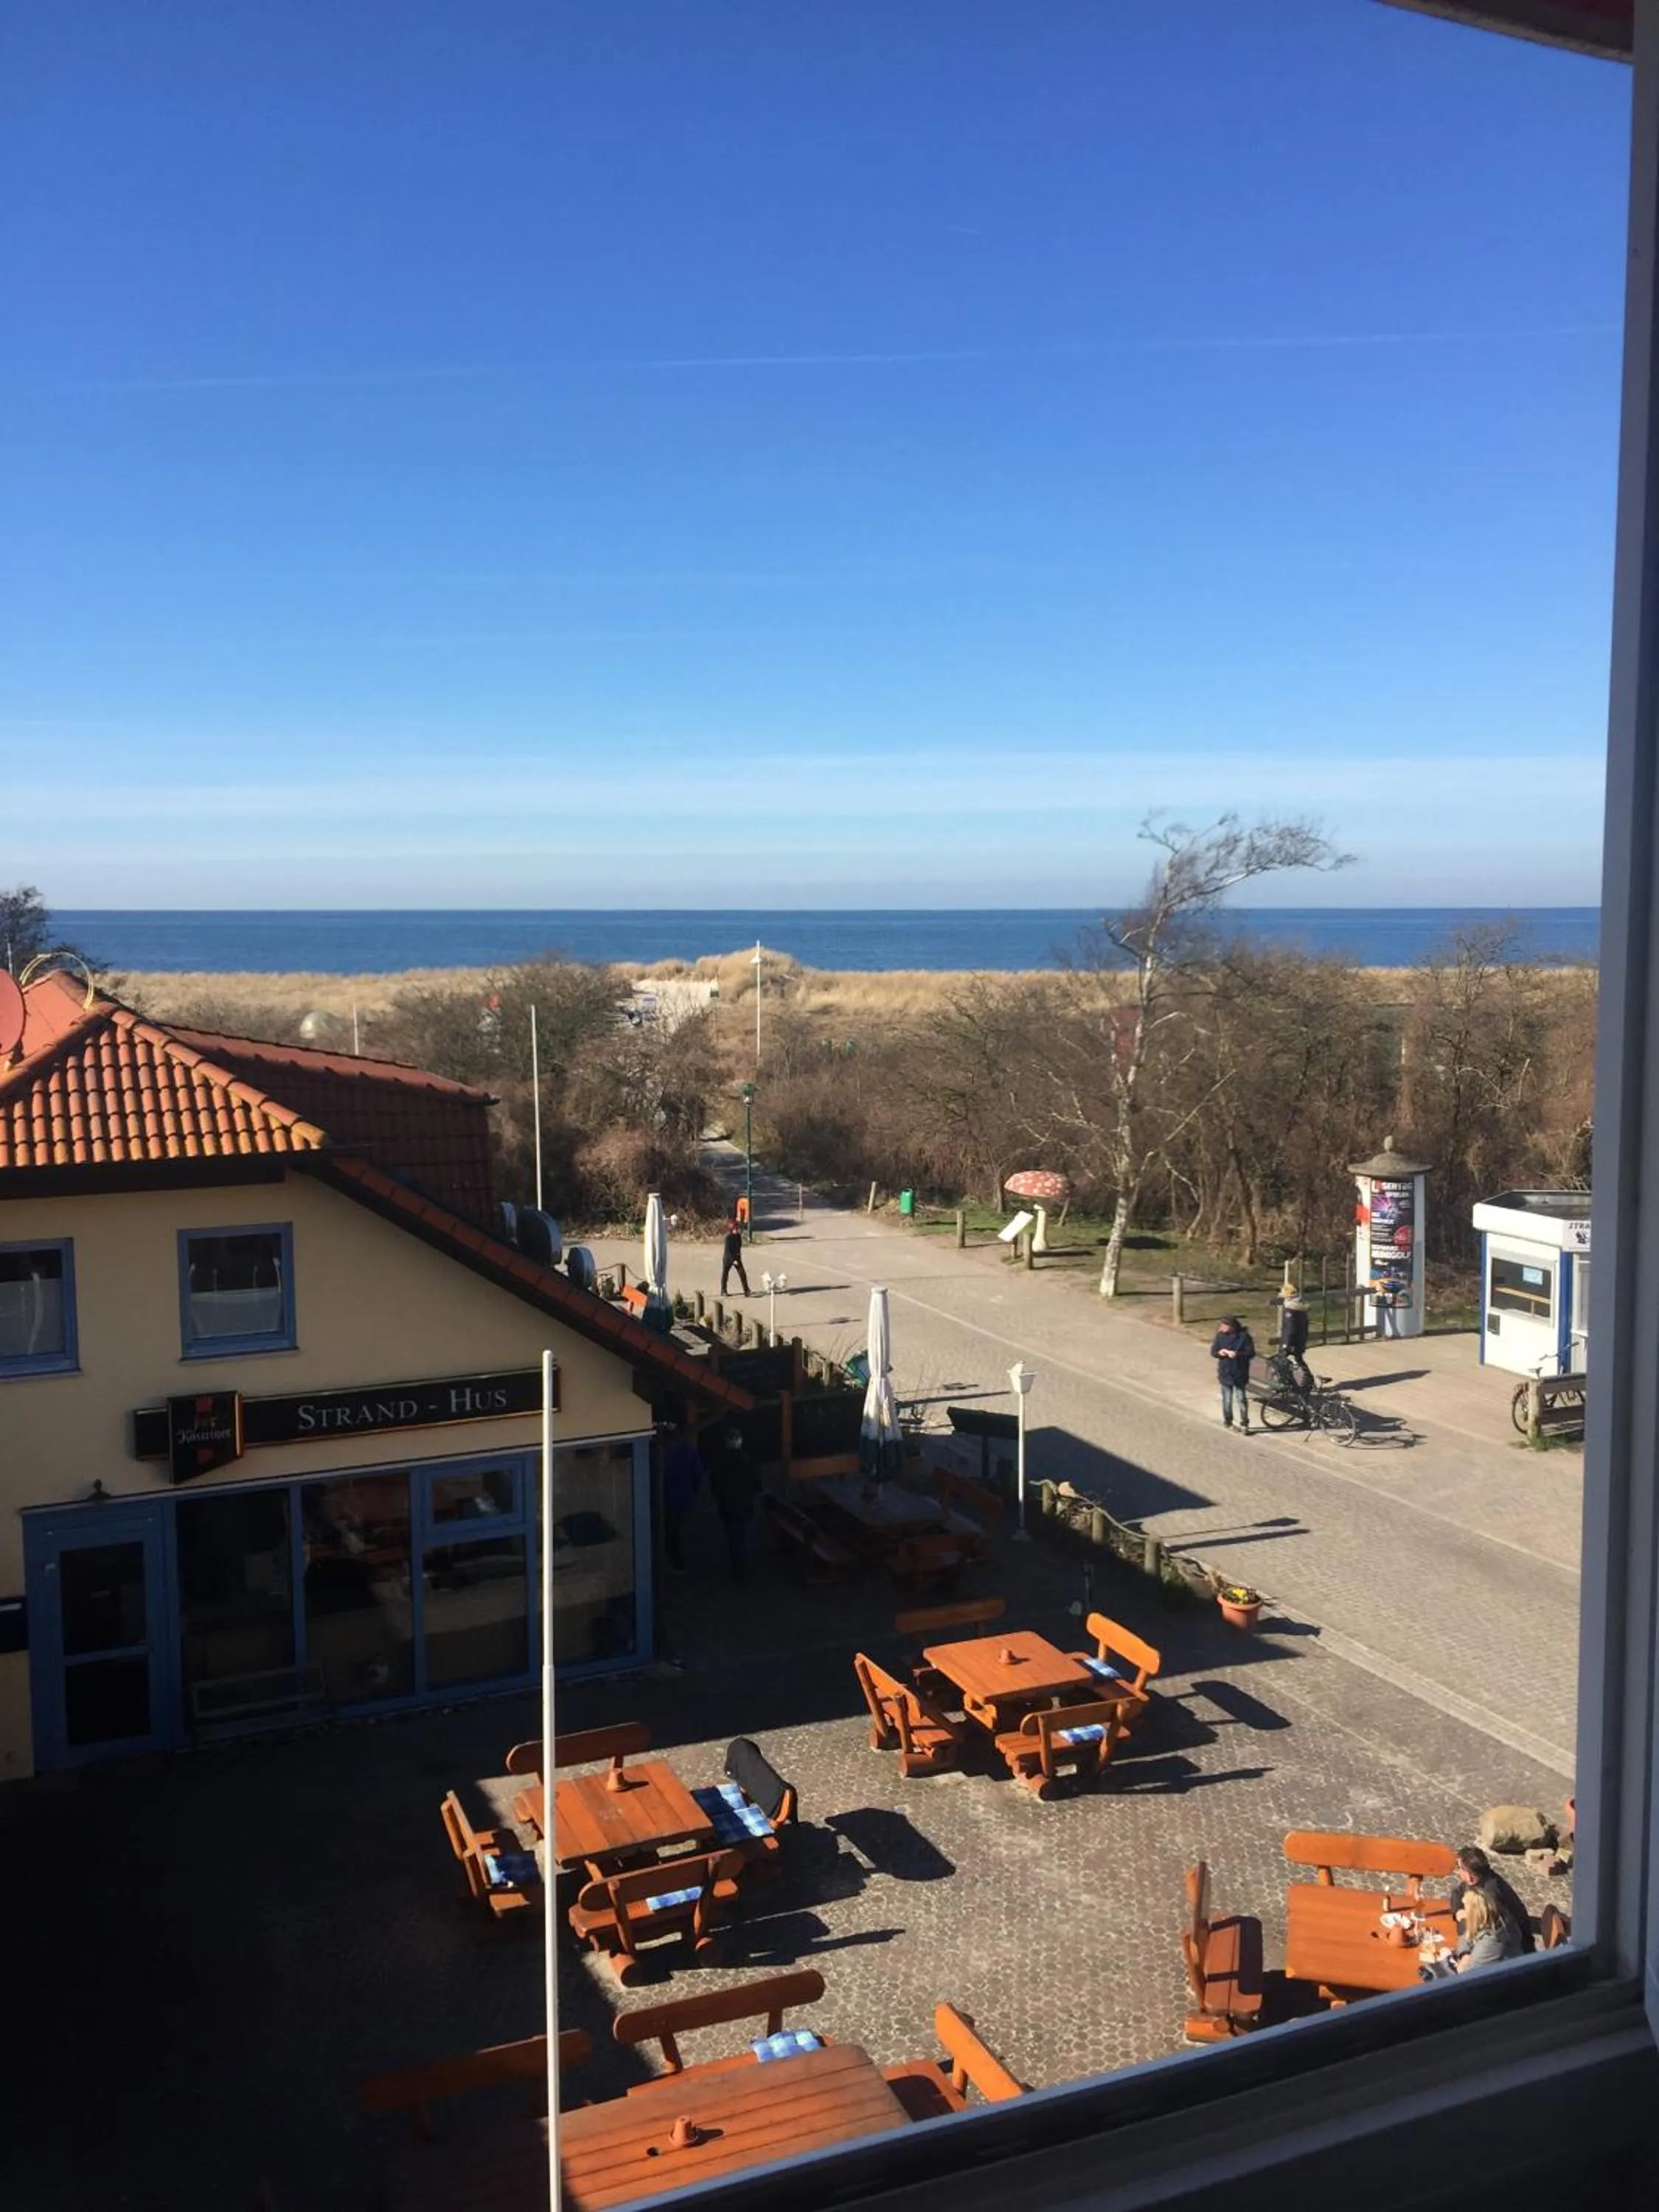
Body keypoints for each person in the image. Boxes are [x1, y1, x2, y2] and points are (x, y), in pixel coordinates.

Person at [1448, 1845, 1535, 1953]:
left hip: (1512, 1949)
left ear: (1480, 1871)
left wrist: (1464, 1920)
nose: (1469, 1878)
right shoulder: (1480, 1879)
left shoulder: (1490, 1894)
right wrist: (1458, 1912)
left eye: (1473, 1874)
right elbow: (1457, 1893)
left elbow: (1476, 1928)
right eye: (1464, 1871)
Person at [708, 1422, 760, 1581]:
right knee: (741, 1537)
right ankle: (740, 1568)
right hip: (744, 1505)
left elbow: (714, 1485)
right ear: (740, 1441)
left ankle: (737, 1567)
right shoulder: (748, 1461)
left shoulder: (720, 1462)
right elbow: (757, 1484)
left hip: (727, 1506)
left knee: (733, 1537)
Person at [659, 1421, 703, 1575]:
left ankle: (673, 1562)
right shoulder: (687, 1450)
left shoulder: (663, 1452)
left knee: (669, 1532)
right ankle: (677, 1562)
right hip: (683, 1498)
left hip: (665, 1499)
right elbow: (697, 1475)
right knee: (676, 1531)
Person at [1447, 1884, 1525, 1972]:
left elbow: (1468, 1973)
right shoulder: (1488, 1919)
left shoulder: (1493, 1941)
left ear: (1475, 1914)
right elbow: (1468, 1934)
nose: (1464, 1913)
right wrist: (1465, 1954)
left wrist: (1448, 1958)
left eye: (1467, 1910)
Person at [1209, 1315, 1256, 1433]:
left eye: (1224, 1325)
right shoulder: (1220, 1336)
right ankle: (1228, 1421)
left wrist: (1237, 1354)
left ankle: (1244, 1423)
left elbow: (1251, 1353)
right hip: (1225, 1372)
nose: (1221, 1327)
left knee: (1241, 1399)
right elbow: (1214, 1352)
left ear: (1232, 1327)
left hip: (1239, 1373)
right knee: (1227, 1399)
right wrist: (1221, 1352)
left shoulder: (1244, 1337)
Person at [1276, 1290, 1315, 1392]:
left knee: (1281, 1360)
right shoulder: (1300, 1307)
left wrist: (1286, 1344)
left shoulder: (1290, 1310)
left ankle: (1286, 1381)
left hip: (1292, 1342)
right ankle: (1308, 1379)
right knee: (1298, 1359)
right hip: (1300, 1340)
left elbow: (1290, 1329)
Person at [720, 1217, 751, 1296]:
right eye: (736, 1229)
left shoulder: (738, 1237)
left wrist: (738, 1257)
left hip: (737, 1258)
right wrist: (733, 1260)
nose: (737, 1230)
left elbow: (739, 1247)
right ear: (731, 1229)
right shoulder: (729, 1238)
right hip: (728, 1259)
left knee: (742, 1274)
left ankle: (746, 1290)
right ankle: (723, 1290)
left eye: (737, 1228)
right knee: (725, 1274)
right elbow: (729, 1251)